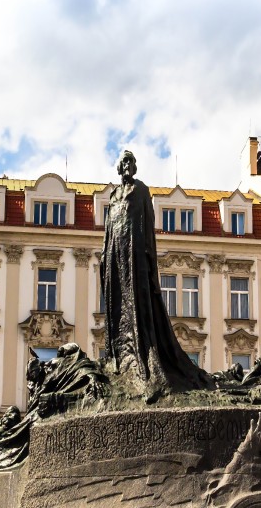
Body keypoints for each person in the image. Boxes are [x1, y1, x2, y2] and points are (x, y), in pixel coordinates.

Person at [101, 150, 212, 401]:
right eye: (124, 162)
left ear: (135, 167)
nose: (128, 165)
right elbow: (109, 227)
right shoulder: (113, 195)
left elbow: (148, 225)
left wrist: (150, 261)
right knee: (117, 307)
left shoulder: (140, 191)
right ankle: (119, 358)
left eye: (131, 161)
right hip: (115, 254)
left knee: (138, 306)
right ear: (119, 167)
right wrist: (104, 253)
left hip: (135, 253)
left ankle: (142, 358)